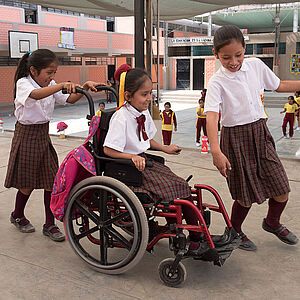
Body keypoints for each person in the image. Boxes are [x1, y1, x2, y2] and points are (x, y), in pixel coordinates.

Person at [204, 25, 298, 251]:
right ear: (216, 54)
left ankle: (272, 222)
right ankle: (235, 230)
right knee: (244, 194)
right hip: (234, 139)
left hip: (260, 133)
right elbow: (212, 116)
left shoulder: (256, 66)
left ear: (245, 49)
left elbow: (280, 85)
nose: (234, 61)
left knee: (281, 187)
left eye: (238, 55)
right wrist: (216, 151)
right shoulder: (217, 82)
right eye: (226, 57)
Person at [4, 49, 99, 242]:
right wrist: (61, 85)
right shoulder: (24, 83)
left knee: (52, 182)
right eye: (49, 73)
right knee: (27, 184)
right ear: (33, 70)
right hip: (26, 135)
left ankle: (49, 224)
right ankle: (17, 214)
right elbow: (37, 95)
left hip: (43, 135)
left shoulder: (52, 85)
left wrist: (84, 89)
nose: (52, 77)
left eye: (54, 73)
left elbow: (69, 99)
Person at [103, 68, 202, 250]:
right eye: (144, 94)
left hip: (143, 162)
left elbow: (146, 139)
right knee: (177, 188)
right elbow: (108, 149)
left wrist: (165, 148)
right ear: (128, 96)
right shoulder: (121, 117)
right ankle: (196, 238)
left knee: (180, 186)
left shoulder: (142, 112)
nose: (149, 98)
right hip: (128, 169)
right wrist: (131, 156)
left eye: (150, 93)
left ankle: (196, 235)